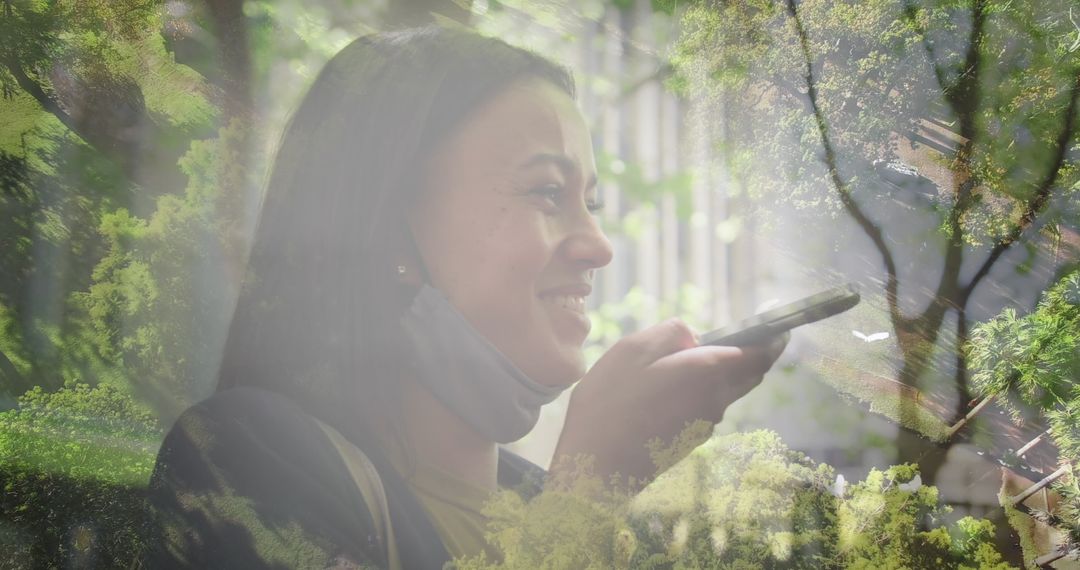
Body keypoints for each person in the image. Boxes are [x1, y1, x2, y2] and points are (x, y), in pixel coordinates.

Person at [144, 24, 787, 569]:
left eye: (590, 203)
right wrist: (588, 493)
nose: (598, 246)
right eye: (546, 192)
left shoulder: (542, 498)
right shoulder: (243, 456)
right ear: (391, 231)